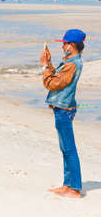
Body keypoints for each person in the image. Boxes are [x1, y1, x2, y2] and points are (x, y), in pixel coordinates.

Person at [40, 29, 86, 198]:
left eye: (65, 44)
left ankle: (75, 188)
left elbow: (52, 84)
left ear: (72, 45)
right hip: (63, 109)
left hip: (64, 110)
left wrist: (45, 66)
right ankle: (68, 185)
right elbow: (57, 79)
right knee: (65, 149)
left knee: (69, 149)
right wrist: (50, 64)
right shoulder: (70, 62)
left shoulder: (73, 64)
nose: (63, 46)